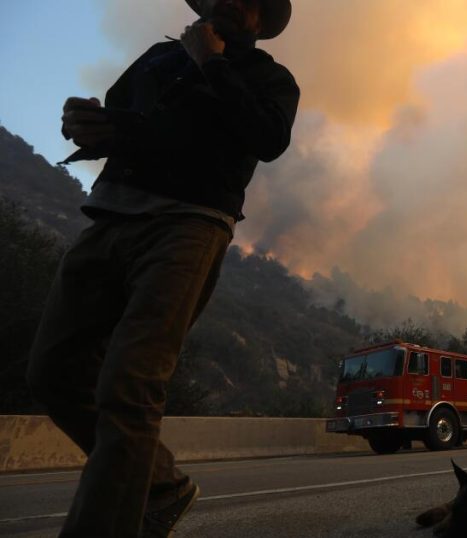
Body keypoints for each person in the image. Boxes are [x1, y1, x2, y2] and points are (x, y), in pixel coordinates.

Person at [26, 1, 299, 536]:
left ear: (262, 21)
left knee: (130, 384)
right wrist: (89, 126)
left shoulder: (270, 78)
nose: (229, 1)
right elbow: (128, 121)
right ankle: (162, 483)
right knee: (54, 371)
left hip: (189, 226)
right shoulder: (156, 58)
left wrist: (211, 64)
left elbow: (268, 139)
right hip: (110, 216)